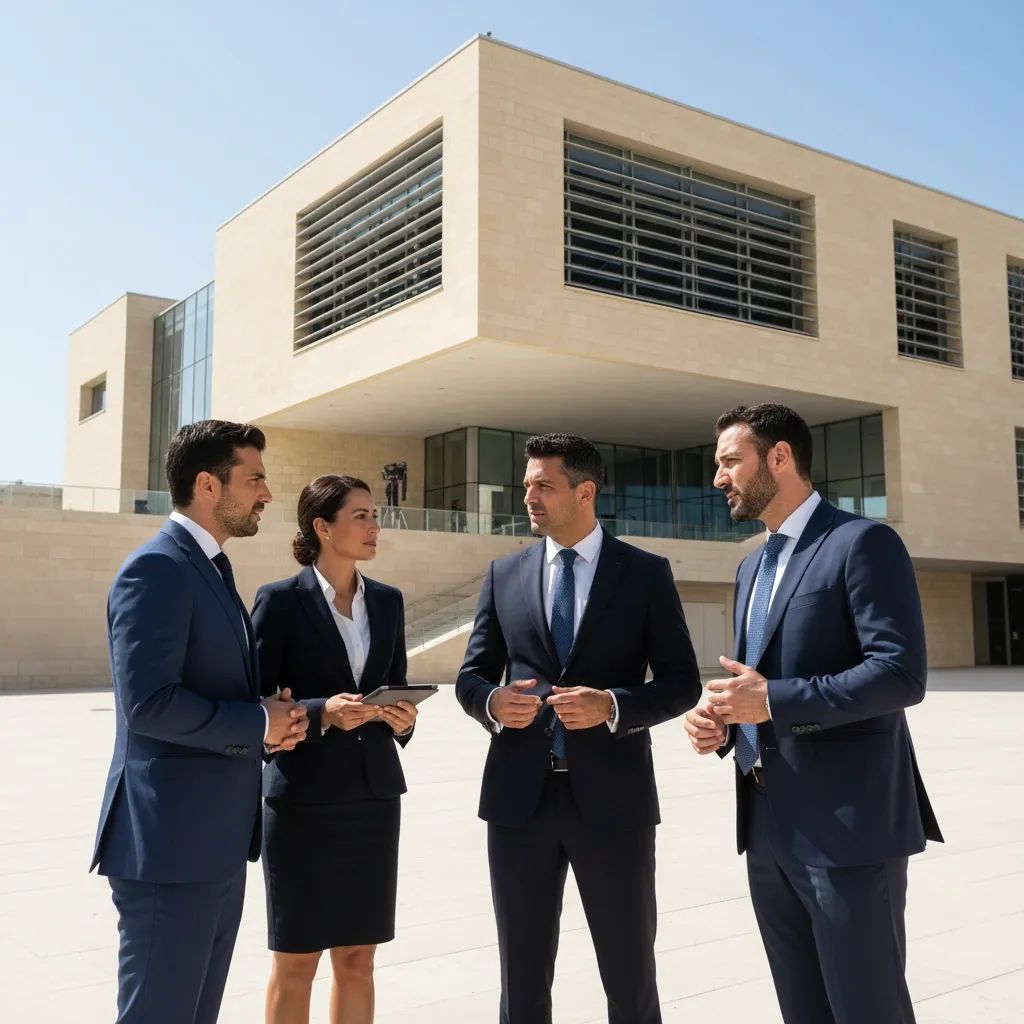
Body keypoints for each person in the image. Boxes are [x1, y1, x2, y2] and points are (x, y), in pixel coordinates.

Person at [683, 403, 943, 1024]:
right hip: (764, 824)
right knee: (801, 1008)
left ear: (779, 457)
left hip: (847, 828)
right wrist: (723, 719)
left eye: (730, 461)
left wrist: (773, 700)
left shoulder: (862, 543)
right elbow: (757, 680)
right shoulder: (751, 565)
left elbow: (900, 673)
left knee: (868, 1008)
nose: (718, 478)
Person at [456, 432, 701, 1024]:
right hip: (519, 802)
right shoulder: (504, 573)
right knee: (521, 977)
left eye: (544, 485)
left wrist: (613, 705)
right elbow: (471, 676)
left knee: (629, 973)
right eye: (527, 485)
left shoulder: (645, 574)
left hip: (614, 803)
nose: (529, 497)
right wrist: (492, 703)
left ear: (585, 492)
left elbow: (681, 683)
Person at [90, 419, 309, 1024]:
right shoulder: (156, 569)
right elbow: (148, 703)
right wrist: (255, 722)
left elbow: (209, 689)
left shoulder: (209, 568)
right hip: (170, 849)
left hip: (214, 846)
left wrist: (274, 719)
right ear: (209, 485)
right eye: (254, 479)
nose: (266, 493)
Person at [252, 474, 419, 1024]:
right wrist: (324, 712)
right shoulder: (279, 601)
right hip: (302, 803)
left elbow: (396, 684)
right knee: (296, 962)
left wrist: (402, 719)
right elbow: (254, 702)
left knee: (358, 959)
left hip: (373, 799)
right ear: (323, 527)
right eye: (361, 516)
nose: (374, 527)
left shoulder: (388, 602)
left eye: (375, 516)